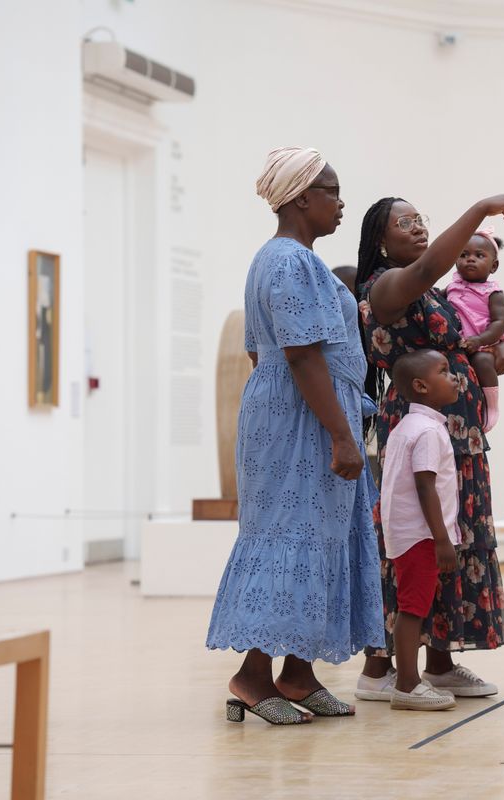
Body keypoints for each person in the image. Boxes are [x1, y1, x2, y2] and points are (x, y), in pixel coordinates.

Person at [206, 146, 384, 725]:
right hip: (302, 422)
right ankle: (253, 676)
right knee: (290, 539)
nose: (339, 203)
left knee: (322, 541)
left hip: (302, 413)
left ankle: (300, 675)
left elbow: (263, 352)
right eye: (331, 191)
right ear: (302, 198)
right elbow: (302, 356)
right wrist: (340, 434)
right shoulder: (288, 263)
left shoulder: (293, 261)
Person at [352, 192, 504, 702]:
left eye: (419, 219)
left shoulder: (434, 294)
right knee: (415, 542)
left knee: (453, 537)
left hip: (459, 431)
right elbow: (431, 265)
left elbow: (464, 342)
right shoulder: (385, 287)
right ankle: (381, 667)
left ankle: (440, 660)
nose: (418, 227)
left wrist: (490, 357)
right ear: (381, 243)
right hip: (420, 427)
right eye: (404, 223)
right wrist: (481, 209)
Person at [380, 350, 463, 710]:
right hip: (421, 535)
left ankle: (408, 681)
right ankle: (408, 685)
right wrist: (442, 538)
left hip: (408, 532)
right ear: (421, 386)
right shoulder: (428, 431)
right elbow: (425, 485)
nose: (455, 376)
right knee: (412, 608)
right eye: (444, 371)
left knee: (412, 605)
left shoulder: (407, 426)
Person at [446, 229, 504, 431]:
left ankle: (491, 406)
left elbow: (499, 323)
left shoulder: (493, 292)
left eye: (479, 255)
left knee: (482, 362)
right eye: (464, 255)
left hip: (485, 344)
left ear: (494, 266)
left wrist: (480, 340)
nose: (470, 260)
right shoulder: (452, 287)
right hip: (462, 347)